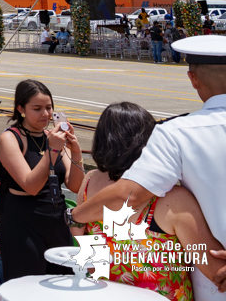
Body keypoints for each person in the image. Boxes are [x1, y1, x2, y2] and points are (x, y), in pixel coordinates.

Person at [73, 35, 226, 300]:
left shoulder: (178, 133)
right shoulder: (174, 202)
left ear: (193, 79)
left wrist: (74, 216)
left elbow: (127, 196)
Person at [0, 79, 84, 281]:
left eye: (49, 107)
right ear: (21, 109)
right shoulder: (11, 138)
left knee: (61, 282)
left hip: (56, 220)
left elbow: (75, 185)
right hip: (23, 220)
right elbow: (31, 185)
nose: (45, 114)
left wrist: (76, 153)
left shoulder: (52, 137)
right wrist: (53, 150)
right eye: (37, 108)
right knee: (26, 285)